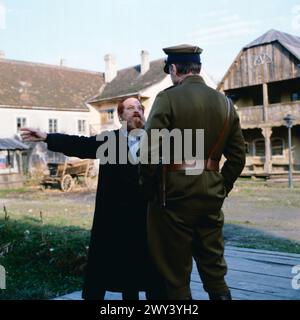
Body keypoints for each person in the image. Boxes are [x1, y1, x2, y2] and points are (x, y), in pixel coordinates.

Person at [21, 97, 165, 300]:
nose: (137, 111)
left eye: (140, 108)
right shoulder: (109, 141)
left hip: (148, 219)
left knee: (153, 278)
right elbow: (79, 144)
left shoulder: (156, 140)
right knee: (123, 278)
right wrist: (46, 137)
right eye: (130, 108)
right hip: (117, 220)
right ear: (120, 116)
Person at [139, 45, 246, 300]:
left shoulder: (167, 98)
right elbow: (238, 157)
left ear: (174, 69)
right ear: (198, 68)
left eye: (170, 72)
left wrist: (150, 189)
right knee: (214, 271)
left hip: (174, 196)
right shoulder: (226, 104)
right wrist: (221, 185)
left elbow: (148, 154)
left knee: (176, 276)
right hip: (211, 193)